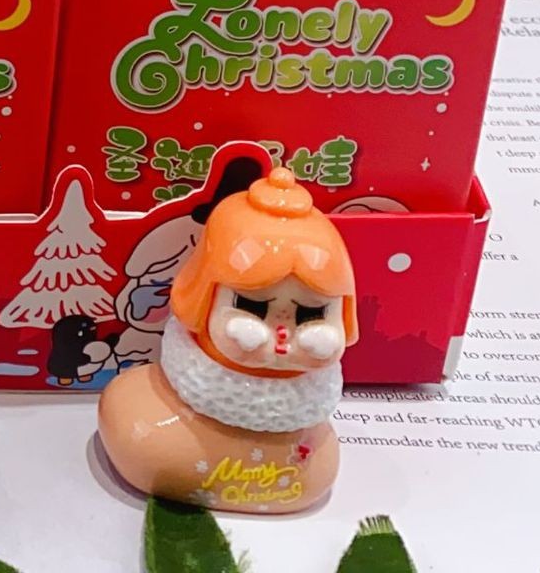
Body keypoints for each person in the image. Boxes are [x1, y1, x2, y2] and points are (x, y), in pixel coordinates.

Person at [97, 166, 356, 514]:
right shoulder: (138, 412)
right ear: (204, 298)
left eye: (310, 313)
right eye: (252, 307)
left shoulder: (316, 448)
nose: (281, 334)